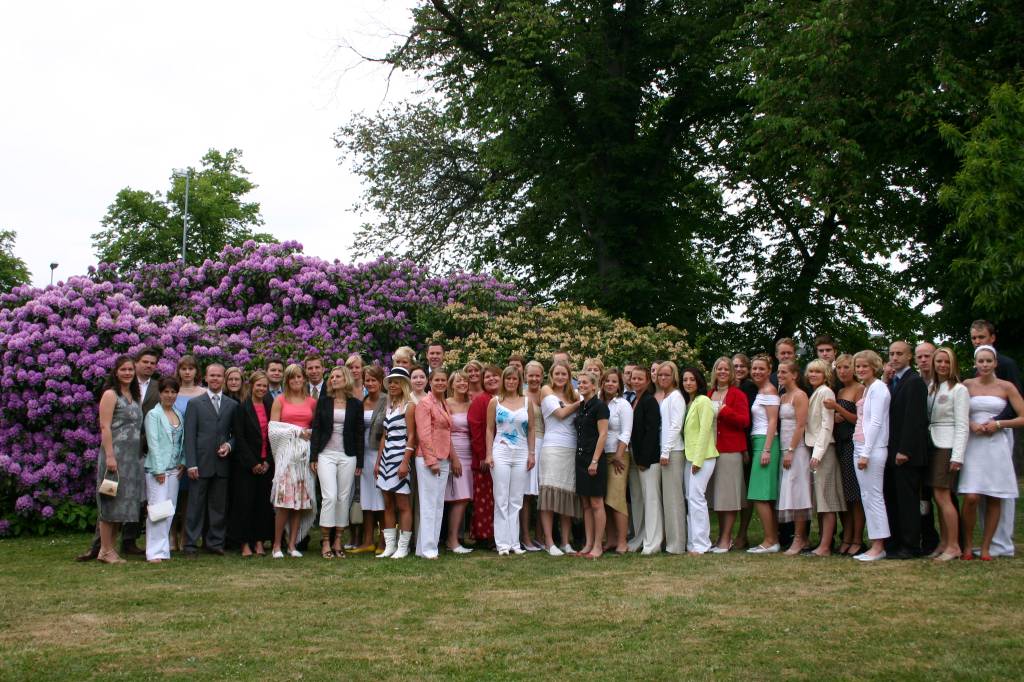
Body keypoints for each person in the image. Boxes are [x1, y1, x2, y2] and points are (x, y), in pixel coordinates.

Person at [959, 345, 1024, 560]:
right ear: (975, 363)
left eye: (989, 361)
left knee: (994, 496)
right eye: (981, 361)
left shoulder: (1006, 386)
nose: (985, 365)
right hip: (973, 444)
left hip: (996, 444)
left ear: (995, 363)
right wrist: (971, 424)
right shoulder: (967, 385)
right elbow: (957, 411)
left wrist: (999, 424)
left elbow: (1022, 417)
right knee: (971, 496)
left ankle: (987, 547)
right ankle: (968, 545)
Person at [93, 356, 145, 564]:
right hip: (113, 458)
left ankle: (108, 549)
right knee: (109, 502)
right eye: (123, 369)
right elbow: (105, 426)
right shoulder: (110, 394)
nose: (127, 373)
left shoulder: (134, 395)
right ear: (116, 372)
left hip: (130, 460)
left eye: (130, 370)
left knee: (121, 505)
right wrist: (110, 456)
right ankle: (105, 550)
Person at [182, 363, 237, 557]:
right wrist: (191, 463)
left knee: (218, 507)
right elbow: (189, 436)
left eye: (219, 376)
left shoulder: (232, 405)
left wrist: (229, 445)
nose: (215, 379)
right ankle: (190, 544)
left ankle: (215, 542)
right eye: (212, 375)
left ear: (224, 379)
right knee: (195, 506)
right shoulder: (195, 404)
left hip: (222, 464)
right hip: (200, 463)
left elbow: (236, 434)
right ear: (205, 378)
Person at [311, 365, 365, 559]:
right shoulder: (324, 402)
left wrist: (360, 462)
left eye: (338, 376)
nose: (333, 379)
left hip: (348, 456)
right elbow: (316, 429)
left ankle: (338, 541)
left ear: (346, 379)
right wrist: (314, 456)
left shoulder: (356, 404)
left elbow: (359, 434)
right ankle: (326, 541)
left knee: (343, 497)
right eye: (332, 377)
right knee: (330, 497)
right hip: (326, 454)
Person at [884, 340, 929, 559]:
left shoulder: (914, 382)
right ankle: (895, 541)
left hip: (906, 453)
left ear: (909, 356)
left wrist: (905, 450)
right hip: (891, 451)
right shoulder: (893, 382)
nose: (895, 357)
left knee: (908, 501)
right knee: (893, 498)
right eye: (892, 353)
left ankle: (911, 545)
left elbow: (914, 419)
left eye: (899, 353)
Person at [268, 364, 317, 558]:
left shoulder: (312, 402)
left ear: (304, 379)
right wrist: (296, 431)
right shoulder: (279, 400)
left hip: (304, 457)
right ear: (287, 381)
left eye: (299, 377)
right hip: (287, 458)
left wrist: (309, 433)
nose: (296, 380)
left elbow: (317, 428)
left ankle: (292, 545)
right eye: (292, 377)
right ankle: (276, 546)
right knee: (283, 502)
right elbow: (273, 430)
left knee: (300, 503)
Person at [486, 366, 535, 556]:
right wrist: (489, 454)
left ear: (519, 381)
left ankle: (515, 543)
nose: (511, 382)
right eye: (508, 378)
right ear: (503, 381)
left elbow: (531, 429)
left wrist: (531, 453)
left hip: (522, 452)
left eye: (515, 379)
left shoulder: (527, 402)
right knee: (501, 498)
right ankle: (502, 544)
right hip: (501, 452)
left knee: (516, 499)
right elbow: (489, 429)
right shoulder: (495, 402)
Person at [926, 346, 969, 561]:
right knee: (937, 497)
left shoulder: (959, 389)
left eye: (946, 361)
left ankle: (954, 545)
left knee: (943, 496)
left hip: (947, 445)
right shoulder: (933, 387)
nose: (942, 365)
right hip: (932, 443)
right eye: (939, 361)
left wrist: (957, 455)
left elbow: (962, 425)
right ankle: (944, 542)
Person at [229, 370, 275, 557]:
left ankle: (259, 541)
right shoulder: (242, 408)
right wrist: (253, 463)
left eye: (265, 386)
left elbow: (274, 436)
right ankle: (244, 543)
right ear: (251, 385)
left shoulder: (270, 407)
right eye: (259, 385)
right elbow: (239, 438)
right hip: (246, 466)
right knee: (245, 504)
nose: (262, 389)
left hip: (266, 464)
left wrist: (267, 461)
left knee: (262, 505)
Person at [823, 354, 865, 556]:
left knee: (855, 495)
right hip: (839, 444)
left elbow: (859, 419)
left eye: (846, 367)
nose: (842, 371)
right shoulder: (839, 390)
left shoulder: (859, 389)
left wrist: (838, 408)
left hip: (852, 444)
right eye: (839, 368)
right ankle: (846, 536)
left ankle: (857, 538)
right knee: (844, 496)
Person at [539, 360, 582, 555]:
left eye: (564, 374)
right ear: (551, 375)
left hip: (571, 448)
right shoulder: (547, 391)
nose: (560, 377)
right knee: (549, 496)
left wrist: (579, 400)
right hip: (552, 448)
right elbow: (561, 413)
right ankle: (549, 542)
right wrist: (580, 403)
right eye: (557, 373)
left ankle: (565, 542)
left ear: (569, 376)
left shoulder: (574, 395)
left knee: (567, 496)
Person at [708, 357, 750, 553]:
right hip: (712, 449)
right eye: (719, 368)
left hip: (731, 449)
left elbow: (744, 421)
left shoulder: (737, 394)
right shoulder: (709, 394)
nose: (723, 372)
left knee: (729, 496)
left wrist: (725, 411)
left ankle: (726, 539)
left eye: (726, 369)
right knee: (718, 496)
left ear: (731, 372)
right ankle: (720, 537)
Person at [852, 350, 891, 562]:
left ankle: (878, 546)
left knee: (874, 497)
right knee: (867, 496)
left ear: (874, 367)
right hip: (860, 446)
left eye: (864, 366)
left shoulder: (879, 388)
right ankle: (875, 543)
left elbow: (876, 422)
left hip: (872, 449)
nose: (860, 369)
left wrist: (866, 453)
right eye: (857, 366)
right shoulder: (868, 388)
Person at [414, 367, 456, 559]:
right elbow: (423, 435)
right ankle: (428, 549)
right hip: (428, 458)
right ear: (430, 382)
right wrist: (431, 461)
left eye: (443, 380)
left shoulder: (443, 403)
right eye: (436, 380)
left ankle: (426, 547)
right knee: (429, 504)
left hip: (443, 456)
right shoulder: (425, 403)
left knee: (438, 504)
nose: (440, 383)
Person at [375, 366, 416, 559]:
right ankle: (390, 546)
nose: (392, 385)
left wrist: (405, 462)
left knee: (403, 504)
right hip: (386, 459)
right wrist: (378, 462)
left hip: (400, 458)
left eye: (396, 382)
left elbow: (412, 436)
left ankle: (403, 547)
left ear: (404, 384)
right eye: (390, 382)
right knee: (388, 504)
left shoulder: (410, 406)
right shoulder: (389, 406)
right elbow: (385, 436)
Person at [805, 359, 845, 557]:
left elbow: (827, 425)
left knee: (827, 500)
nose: (813, 375)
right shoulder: (816, 392)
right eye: (811, 371)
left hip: (824, 450)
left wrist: (818, 453)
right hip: (815, 448)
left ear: (826, 375)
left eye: (817, 372)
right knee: (820, 500)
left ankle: (826, 546)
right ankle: (822, 542)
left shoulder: (826, 392)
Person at [142, 376, 184, 563]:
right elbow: (153, 444)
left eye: (173, 392)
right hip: (157, 471)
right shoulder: (153, 415)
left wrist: (183, 461)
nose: (170, 395)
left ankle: (163, 549)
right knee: (157, 511)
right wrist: (159, 470)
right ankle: (153, 552)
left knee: (169, 510)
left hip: (174, 470)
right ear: (160, 393)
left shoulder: (178, 414)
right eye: (166, 391)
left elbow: (181, 441)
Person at [746, 355, 781, 554]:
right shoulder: (761, 390)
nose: (757, 372)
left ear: (769, 370)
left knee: (760, 495)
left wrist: (766, 449)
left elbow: (773, 421)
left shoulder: (769, 390)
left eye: (761, 369)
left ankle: (770, 541)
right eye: (754, 368)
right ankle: (772, 538)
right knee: (763, 495)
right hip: (758, 441)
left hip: (766, 442)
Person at [681, 367, 718, 555]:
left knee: (697, 499)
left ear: (699, 382)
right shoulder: (691, 402)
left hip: (703, 457)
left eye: (692, 379)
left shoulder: (704, 401)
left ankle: (702, 544)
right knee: (691, 498)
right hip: (690, 456)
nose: (688, 383)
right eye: (685, 380)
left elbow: (705, 430)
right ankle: (692, 543)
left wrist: (698, 460)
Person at [776, 359, 811, 556]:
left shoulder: (800, 395)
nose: (780, 375)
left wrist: (791, 450)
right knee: (790, 491)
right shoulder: (783, 396)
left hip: (797, 450)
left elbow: (800, 425)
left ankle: (799, 538)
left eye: (784, 372)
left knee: (798, 493)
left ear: (795, 375)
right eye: (778, 372)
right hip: (784, 448)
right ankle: (800, 537)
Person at [573, 371, 609, 559]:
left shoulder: (600, 406)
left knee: (596, 502)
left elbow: (603, 434)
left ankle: (598, 545)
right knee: (586, 504)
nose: (581, 385)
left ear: (594, 386)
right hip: (580, 458)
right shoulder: (581, 406)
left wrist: (594, 461)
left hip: (594, 459)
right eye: (579, 382)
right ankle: (588, 544)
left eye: (585, 383)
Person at [630, 365, 663, 554]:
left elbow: (652, 432)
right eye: (633, 378)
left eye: (640, 378)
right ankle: (641, 538)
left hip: (648, 459)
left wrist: (644, 459)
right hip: (635, 456)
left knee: (651, 500)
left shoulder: (650, 401)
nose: (636, 381)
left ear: (648, 380)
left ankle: (653, 542)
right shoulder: (634, 399)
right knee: (639, 500)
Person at [655, 361, 687, 554]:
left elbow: (676, 425)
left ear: (674, 376)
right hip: (665, 450)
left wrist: (666, 451)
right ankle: (670, 541)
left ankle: (677, 544)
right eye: (660, 375)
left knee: (674, 499)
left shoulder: (676, 397)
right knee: (667, 499)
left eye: (667, 375)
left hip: (673, 451)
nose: (663, 378)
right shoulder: (665, 397)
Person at [468, 364, 501, 548]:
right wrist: (482, 455)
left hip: (505, 455)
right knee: (485, 499)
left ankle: (501, 534)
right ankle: (486, 536)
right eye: (487, 377)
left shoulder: (505, 399)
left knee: (499, 497)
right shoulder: (481, 400)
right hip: (485, 458)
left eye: (495, 375)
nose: (491, 379)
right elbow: (476, 430)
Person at [355, 365, 387, 554]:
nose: (370, 383)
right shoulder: (362, 402)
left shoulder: (387, 400)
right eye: (367, 380)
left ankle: (383, 541)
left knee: (381, 500)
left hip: (380, 455)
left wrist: (380, 459)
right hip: (364, 456)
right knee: (366, 499)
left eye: (374, 380)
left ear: (381, 381)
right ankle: (367, 541)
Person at [600, 368, 632, 554]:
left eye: (614, 381)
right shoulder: (599, 402)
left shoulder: (623, 404)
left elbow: (626, 431)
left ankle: (622, 541)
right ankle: (610, 539)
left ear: (619, 385)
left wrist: (619, 454)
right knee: (605, 499)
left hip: (618, 455)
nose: (610, 384)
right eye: (607, 381)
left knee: (617, 498)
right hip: (601, 455)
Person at [445, 370, 474, 554]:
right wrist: (454, 458)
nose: (462, 383)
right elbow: (444, 432)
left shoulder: (471, 404)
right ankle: (452, 540)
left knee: (463, 497)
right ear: (452, 385)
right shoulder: (446, 403)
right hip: (453, 452)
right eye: (458, 381)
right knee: (459, 498)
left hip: (470, 453)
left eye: (465, 381)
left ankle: (455, 537)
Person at [521, 361, 546, 551]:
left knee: (544, 493)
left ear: (542, 377)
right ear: (525, 376)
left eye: (537, 375)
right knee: (527, 494)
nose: (534, 379)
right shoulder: (521, 395)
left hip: (547, 444)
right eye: (531, 375)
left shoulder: (547, 394)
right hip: (528, 444)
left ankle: (540, 535)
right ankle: (525, 537)